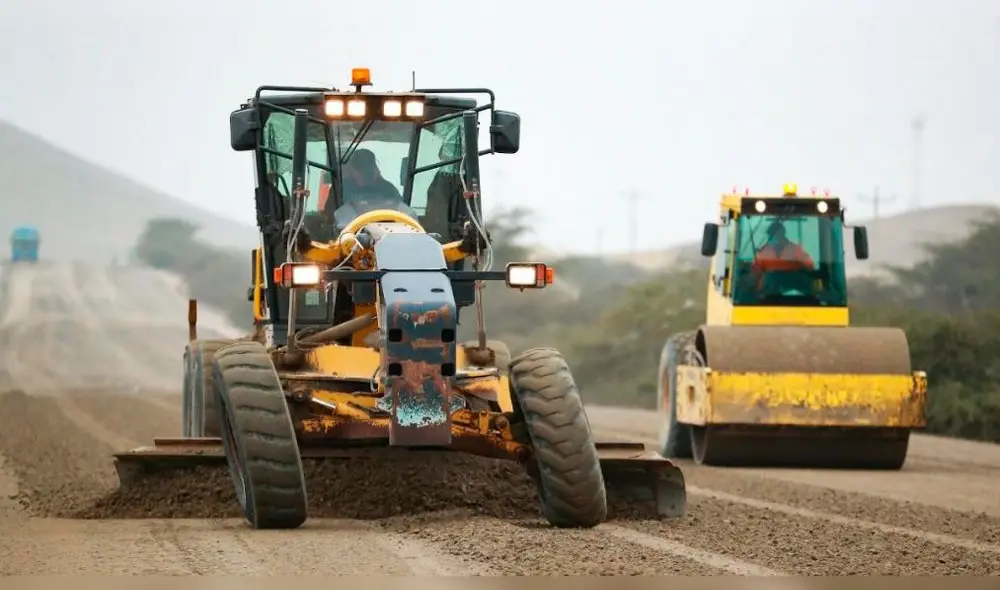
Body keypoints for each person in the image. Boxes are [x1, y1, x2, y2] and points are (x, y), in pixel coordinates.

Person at [750, 220, 815, 290]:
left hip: (792, 287)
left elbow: (809, 266)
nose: (773, 237)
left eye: (776, 234)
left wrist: (799, 263)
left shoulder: (794, 249)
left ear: (783, 233)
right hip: (770, 292)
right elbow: (756, 271)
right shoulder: (764, 251)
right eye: (771, 234)